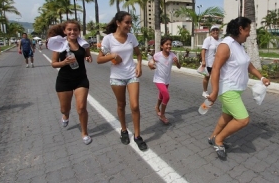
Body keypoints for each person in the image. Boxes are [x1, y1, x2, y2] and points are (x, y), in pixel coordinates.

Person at [207, 17, 271, 160]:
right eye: (247, 30)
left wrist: (261, 78)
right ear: (240, 29)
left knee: (227, 116)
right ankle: (219, 140)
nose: (249, 34)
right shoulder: (226, 45)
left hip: (236, 89)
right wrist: (214, 91)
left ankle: (212, 137)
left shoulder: (239, 45)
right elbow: (215, 69)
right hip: (228, 90)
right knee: (243, 120)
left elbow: (248, 65)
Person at [97, 11, 147, 151]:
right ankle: (124, 130)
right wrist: (112, 56)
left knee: (135, 106)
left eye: (131, 22)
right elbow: (99, 59)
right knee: (121, 104)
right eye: (127, 22)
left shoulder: (131, 37)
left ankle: (137, 136)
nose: (130, 25)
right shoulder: (108, 39)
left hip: (131, 74)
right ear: (118, 23)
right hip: (117, 76)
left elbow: (138, 53)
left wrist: (138, 65)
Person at [47, 20, 93, 145]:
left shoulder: (84, 44)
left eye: (75, 30)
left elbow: (87, 55)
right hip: (64, 80)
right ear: (64, 31)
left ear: (79, 31)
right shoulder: (59, 45)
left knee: (81, 108)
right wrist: (64, 63)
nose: (72, 32)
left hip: (81, 79)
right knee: (64, 108)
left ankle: (84, 132)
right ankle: (65, 116)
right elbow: (54, 63)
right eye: (69, 30)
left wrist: (88, 58)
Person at [149, 37, 181, 125]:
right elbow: (151, 61)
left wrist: (177, 62)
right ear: (162, 46)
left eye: (170, 44)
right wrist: (151, 65)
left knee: (161, 95)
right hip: (158, 79)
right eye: (167, 44)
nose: (169, 46)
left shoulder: (172, 55)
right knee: (166, 96)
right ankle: (162, 115)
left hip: (166, 80)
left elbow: (179, 67)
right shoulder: (158, 55)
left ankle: (157, 107)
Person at [200, 25, 221, 98]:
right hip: (209, 62)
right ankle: (205, 91)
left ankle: (215, 91)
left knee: (215, 78)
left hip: (217, 63)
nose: (215, 31)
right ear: (211, 32)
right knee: (207, 77)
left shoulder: (221, 40)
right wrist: (203, 60)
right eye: (213, 30)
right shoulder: (208, 39)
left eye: (216, 30)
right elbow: (203, 50)